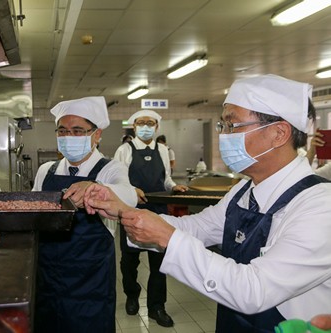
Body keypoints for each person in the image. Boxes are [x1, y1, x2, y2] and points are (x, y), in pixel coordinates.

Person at [84, 74, 331, 333]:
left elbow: (254, 290)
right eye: (221, 127)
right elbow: (198, 227)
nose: (224, 136)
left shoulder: (319, 206)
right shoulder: (245, 190)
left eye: (231, 126)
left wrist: (169, 238)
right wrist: (122, 209)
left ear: (279, 133)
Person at [32, 96, 137, 333]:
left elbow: (128, 196)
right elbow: (34, 214)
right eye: (63, 131)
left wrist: (93, 187)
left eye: (78, 131)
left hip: (89, 283)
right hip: (47, 276)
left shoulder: (110, 169)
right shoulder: (45, 171)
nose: (69, 137)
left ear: (96, 135)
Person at [113, 110, 188, 327]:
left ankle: (157, 307)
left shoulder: (163, 149)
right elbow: (117, 181)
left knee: (160, 262)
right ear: (134, 126)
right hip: (132, 211)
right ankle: (132, 295)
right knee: (129, 262)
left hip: (158, 211)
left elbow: (166, 179)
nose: (145, 126)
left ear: (156, 128)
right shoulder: (124, 150)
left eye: (150, 123)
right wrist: (130, 188)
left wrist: (175, 187)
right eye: (141, 122)